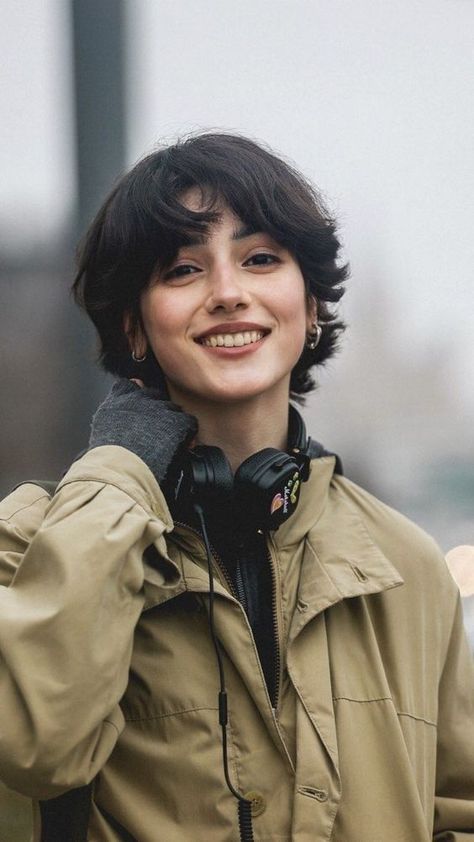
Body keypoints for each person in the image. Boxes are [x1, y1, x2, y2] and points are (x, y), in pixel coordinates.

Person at [0, 133, 472, 842]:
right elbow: (36, 745)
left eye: (260, 259)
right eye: (184, 269)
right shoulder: (29, 542)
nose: (228, 293)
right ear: (133, 324)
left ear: (310, 305)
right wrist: (119, 475)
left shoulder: (403, 566)